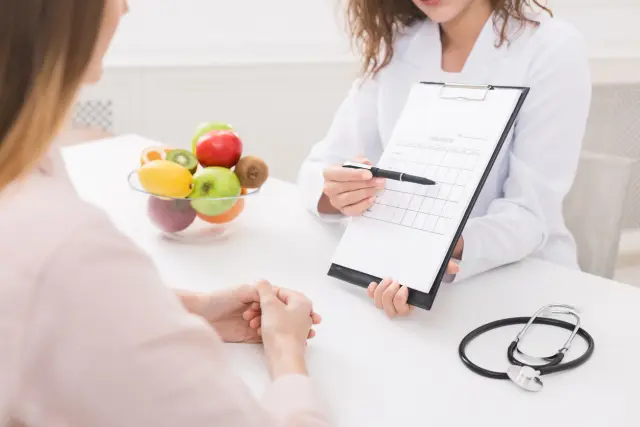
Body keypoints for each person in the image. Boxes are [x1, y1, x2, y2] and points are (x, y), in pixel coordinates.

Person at [0, 1, 330, 426]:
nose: (125, 7)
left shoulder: (28, 168)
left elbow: (42, 311)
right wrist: (288, 355)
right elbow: (59, 284)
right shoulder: (67, 247)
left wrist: (195, 308)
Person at [298, 0, 591, 318]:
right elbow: (319, 168)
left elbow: (531, 214)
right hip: (402, 279)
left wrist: (436, 245)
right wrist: (337, 193)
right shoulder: (397, 46)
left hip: (524, 289)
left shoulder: (552, 47)